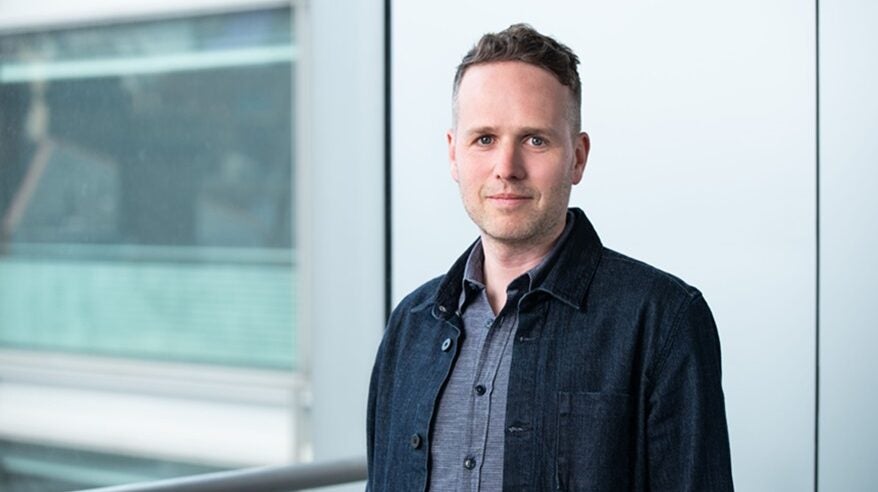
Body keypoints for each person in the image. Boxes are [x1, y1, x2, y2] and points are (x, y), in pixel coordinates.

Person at [366, 23, 733, 491]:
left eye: (535, 140)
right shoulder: (412, 325)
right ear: (454, 155)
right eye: (484, 139)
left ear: (577, 157)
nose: (507, 168)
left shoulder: (663, 320)